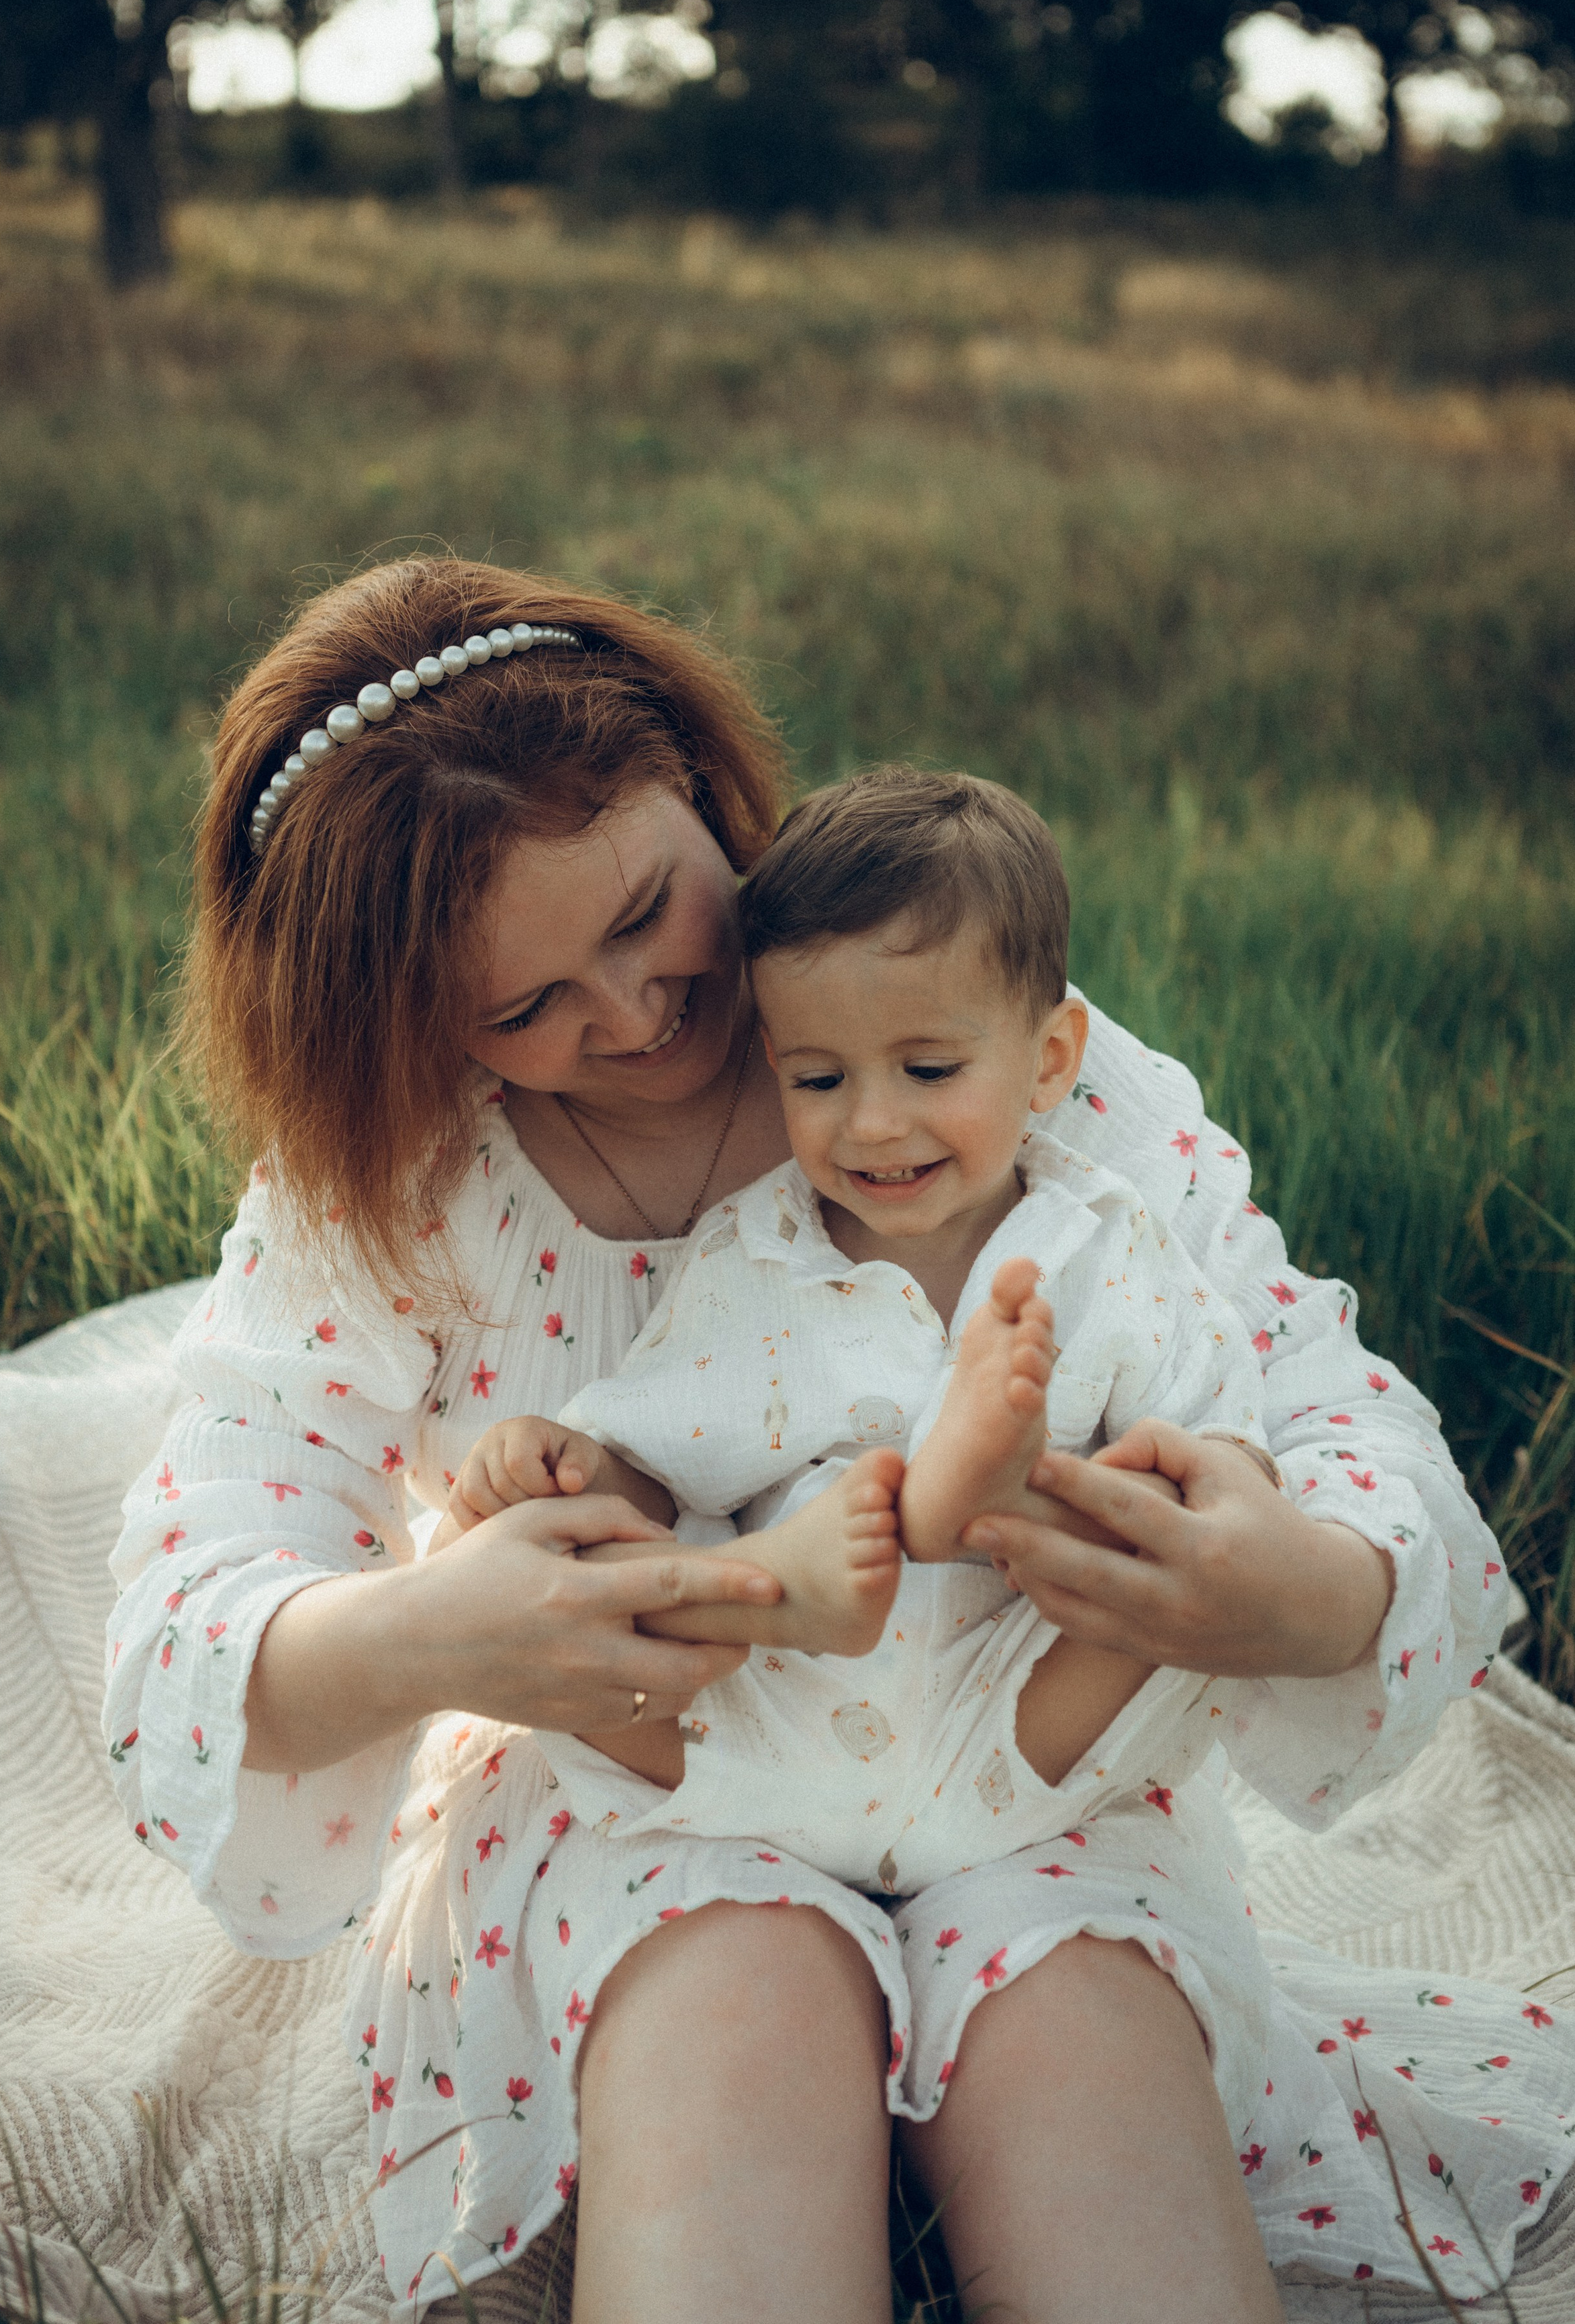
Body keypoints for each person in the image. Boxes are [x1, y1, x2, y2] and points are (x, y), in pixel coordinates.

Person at [105, 558, 1572, 2324]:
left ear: (708, 790)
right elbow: (192, 1588)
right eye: (526, 1007)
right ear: (411, 1023)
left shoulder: (974, 1056)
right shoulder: (404, 1188)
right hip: (646, 1796)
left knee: (1085, 2051)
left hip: (1036, 1773)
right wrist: (444, 1628)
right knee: (734, 2006)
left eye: (651, 912)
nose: (638, 1013)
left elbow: (1319, 1392)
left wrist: (1312, 1591)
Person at [438, 769, 1278, 1907]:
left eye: (929, 1070)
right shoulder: (763, 1257)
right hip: (776, 1733)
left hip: (1026, 1728)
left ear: (1049, 1060)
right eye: (819, 1078)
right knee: (571, 1621)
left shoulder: (1098, 1250)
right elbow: (661, 1452)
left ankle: (997, 1499)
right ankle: (787, 1576)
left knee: (1161, 1561)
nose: (874, 1122)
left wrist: (1184, 1502)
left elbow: (1225, 1444)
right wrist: (573, 1466)